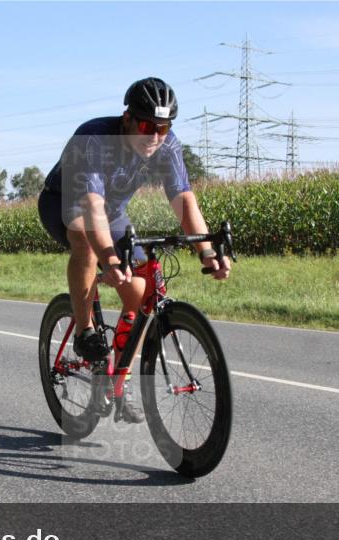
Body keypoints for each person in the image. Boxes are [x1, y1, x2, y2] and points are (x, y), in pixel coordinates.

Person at [38, 77, 230, 422]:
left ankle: (115, 382)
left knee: (141, 293)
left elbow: (183, 199)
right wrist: (110, 258)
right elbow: (91, 207)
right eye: (146, 125)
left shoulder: (166, 144)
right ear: (127, 117)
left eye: (163, 127)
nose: (154, 136)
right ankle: (84, 332)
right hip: (65, 203)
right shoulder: (94, 139)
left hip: (111, 213)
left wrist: (206, 251)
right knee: (85, 240)